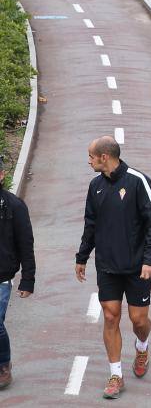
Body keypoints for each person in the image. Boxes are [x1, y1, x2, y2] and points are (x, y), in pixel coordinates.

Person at [75, 137, 151, 399]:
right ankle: (116, 374)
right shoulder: (95, 186)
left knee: (138, 320)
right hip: (107, 265)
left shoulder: (138, 181)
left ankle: (142, 346)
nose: (89, 160)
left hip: (137, 267)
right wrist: (82, 256)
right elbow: (90, 224)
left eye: (91, 156)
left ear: (104, 157)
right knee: (111, 315)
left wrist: (150, 259)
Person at [0, 155, 35, 389]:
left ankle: (3, 364)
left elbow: (25, 243)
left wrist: (28, 280)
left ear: (1, 175)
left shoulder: (13, 206)